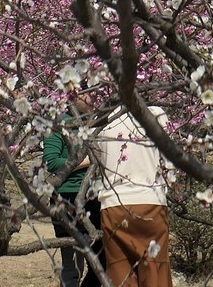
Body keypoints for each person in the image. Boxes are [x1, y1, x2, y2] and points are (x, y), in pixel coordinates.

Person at [96, 104, 170, 287]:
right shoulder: (156, 114)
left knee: (119, 273)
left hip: (113, 204)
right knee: (154, 272)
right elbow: (169, 162)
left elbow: (100, 161)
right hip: (151, 201)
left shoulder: (103, 120)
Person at [43, 94, 102, 287]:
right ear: (74, 96)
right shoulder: (59, 123)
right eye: (89, 94)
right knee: (73, 266)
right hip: (66, 198)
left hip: (93, 198)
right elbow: (51, 162)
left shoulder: (96, 124)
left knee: (101, 260)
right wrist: (87, 162)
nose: (94, 98)